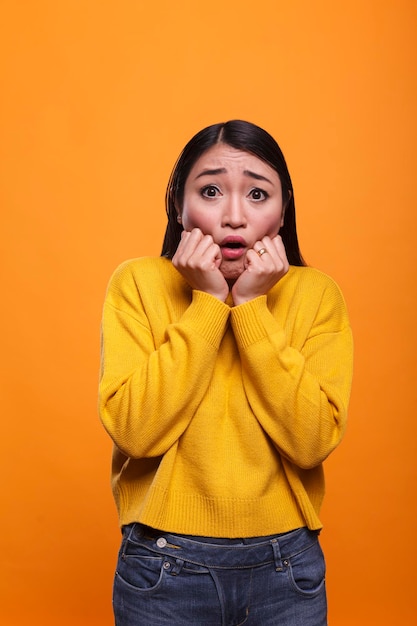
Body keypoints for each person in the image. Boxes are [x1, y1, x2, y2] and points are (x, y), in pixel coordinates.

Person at [99, 120, 353, 626]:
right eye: (211, 190)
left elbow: (312, 441)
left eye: (258, 193)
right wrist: (209, 303)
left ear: (284, 210)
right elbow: (135, 433)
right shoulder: (138, 285)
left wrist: (253, 306)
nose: (234, 216)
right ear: (178, 203)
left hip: (287, 569)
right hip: (162, 566)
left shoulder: (316, 295)